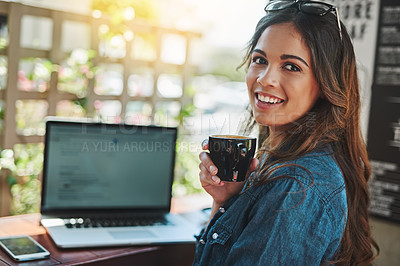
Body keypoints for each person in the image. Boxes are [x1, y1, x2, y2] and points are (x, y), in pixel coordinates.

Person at [194, 1, 379, 265]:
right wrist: (225, 200)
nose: (265, 79)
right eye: (260, 60)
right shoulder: (279, 163)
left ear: (326, 85)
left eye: (291, 66)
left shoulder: (296, 186)